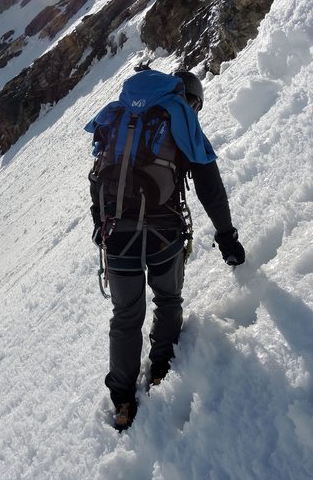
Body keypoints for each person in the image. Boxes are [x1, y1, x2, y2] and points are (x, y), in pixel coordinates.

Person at [86, 69, 245, 430]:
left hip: (116, 235)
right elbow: (209, 187)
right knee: (168, 300)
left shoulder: (121, 114)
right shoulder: (180, 117)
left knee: (126, 315)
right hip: (162, 232)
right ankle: (160, 369)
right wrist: (227, 238)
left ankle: (123, 399)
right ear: (190, 98)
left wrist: (101, 221)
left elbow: (98, 174)